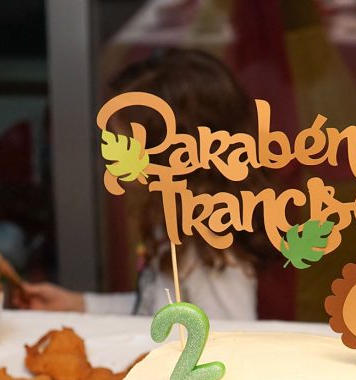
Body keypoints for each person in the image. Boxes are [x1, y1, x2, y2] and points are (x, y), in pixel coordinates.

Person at [16, 49, 273, 319]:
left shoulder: (212, 252)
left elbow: (232, 345)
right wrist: (80, 305)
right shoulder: (176, 216)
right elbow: (159, 309)